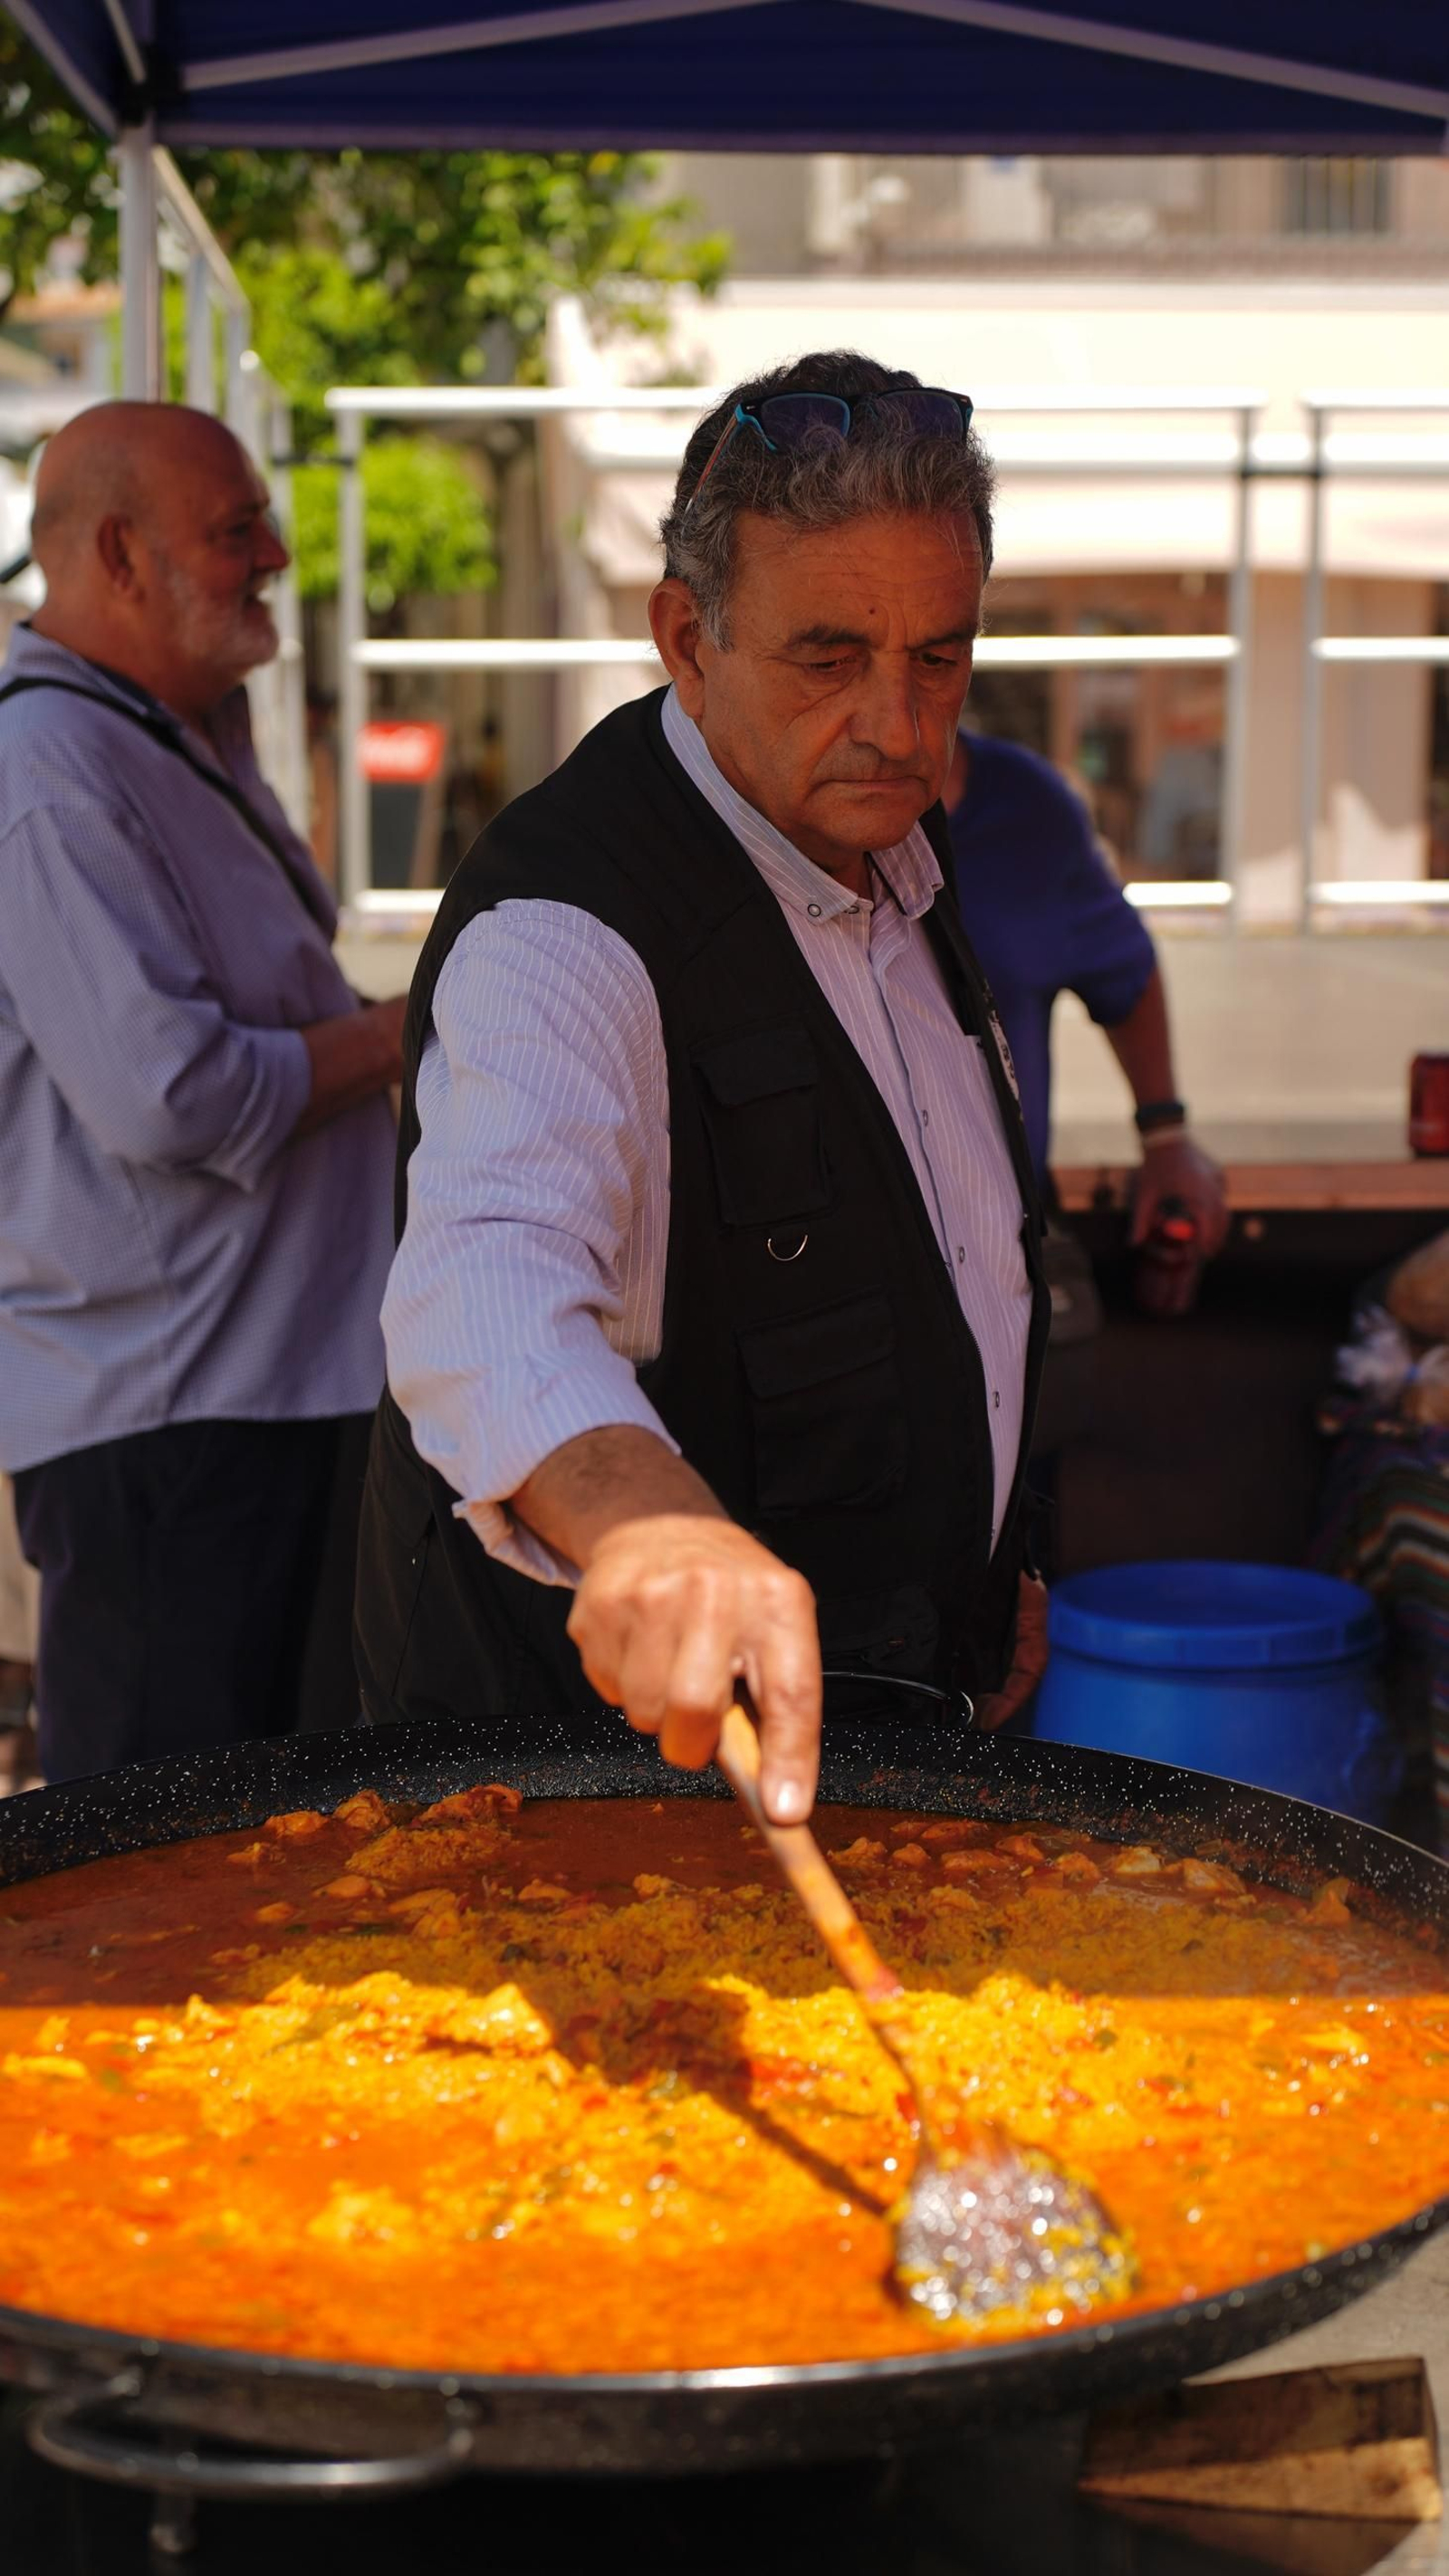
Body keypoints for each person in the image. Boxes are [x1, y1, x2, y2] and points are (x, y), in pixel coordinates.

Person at [357, 351, 1051, 1827]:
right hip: (590, 1800)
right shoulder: (566, 923)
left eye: (939, 655)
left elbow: (948, 1258)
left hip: (903, 1743)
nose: (898, 719)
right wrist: (650, 1528)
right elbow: (484, 1282)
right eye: (827, 657)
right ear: (685, 635)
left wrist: (981, 1582)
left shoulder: (897, 863)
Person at [0, 401, 404, 1780]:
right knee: (146, 1889)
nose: (276, 557)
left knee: (263, 1866)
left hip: (268, 1392)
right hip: (170, 1427)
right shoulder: (47, 773)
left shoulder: (169, 727)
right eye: (236, 531)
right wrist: (408, 1029)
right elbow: (170, 1100)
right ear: (119, 553)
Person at [943, 731, 1228, 1262]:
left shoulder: (1028, 807)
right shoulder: (767, 814)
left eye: (936, 656)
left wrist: (1164, 1134)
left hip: (1005, 1249)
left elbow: (1125, 973)